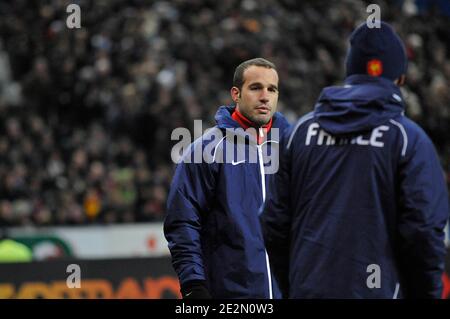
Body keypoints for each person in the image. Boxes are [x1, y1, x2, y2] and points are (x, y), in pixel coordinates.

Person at [260, 22, 449, 299]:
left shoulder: (300, 133)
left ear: (350, 73)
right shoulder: (407, 139)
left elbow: (274, 223)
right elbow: (423, 231)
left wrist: (295, 286)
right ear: (400, 79)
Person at [164, 58, 290, 298]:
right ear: (236, 93)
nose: (265, 96)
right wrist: (193, 285)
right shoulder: (205, 151)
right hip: (231, 294)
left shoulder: (295, 147)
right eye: (256, 88)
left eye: (272, 89)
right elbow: (183, 221)